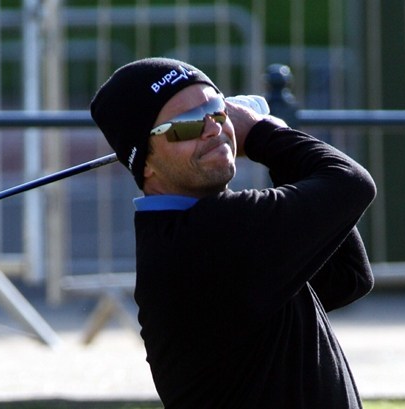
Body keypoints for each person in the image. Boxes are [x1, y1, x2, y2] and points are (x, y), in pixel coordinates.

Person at [90, 57, 376, 408]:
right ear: (144, 163)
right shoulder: (208, 236)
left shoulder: (210, 227)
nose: (213, 128)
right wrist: (262, 133)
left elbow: (346, 277)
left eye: (217, 109)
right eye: (185, 126)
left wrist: (279, 153)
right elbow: (351, 183)